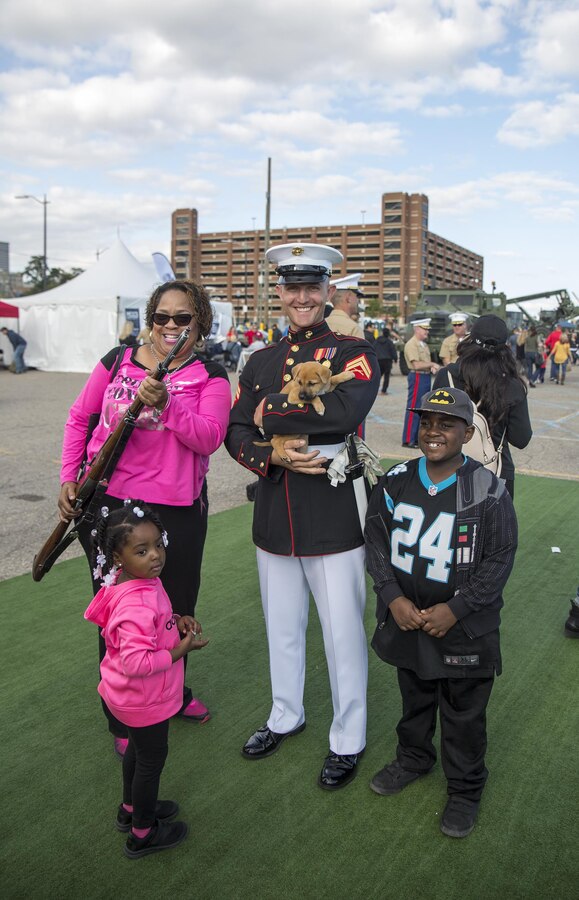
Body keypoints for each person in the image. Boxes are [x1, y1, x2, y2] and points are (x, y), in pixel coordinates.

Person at [226, 242, 380, 790]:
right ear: (280, 293)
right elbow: (234, 429)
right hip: (275, 508)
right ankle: (285, 714)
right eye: (292, 288)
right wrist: (268, 452)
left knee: (342, 630)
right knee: (282, 626)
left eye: (312, 287)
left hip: (333, 510)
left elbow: (344, 409)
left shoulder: (353, 351)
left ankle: (348, 736)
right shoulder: (260, 360)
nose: (302, 297)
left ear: (328, 291)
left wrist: (269, 411)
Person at [58, 279, 231, 757]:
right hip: (110, 509)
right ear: (149, 319)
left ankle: (171, 698)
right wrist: (69, 476)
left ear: (200, 323)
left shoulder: (211, 375)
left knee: (172, 615)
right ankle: (121, 714)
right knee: (121, 618)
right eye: (162, 317)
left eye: (182, 318)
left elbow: (209, 436)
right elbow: (80, 418)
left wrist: (168, 404)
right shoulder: (117, 361)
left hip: (176, 513)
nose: (170, 326)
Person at [365, 387, 518, 839]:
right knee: (414, 696)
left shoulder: (487, 489)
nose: (433, 431)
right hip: (408, 617)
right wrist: (392, 596)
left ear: (467, 432)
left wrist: (457, 608)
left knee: (464, 711)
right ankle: (413, 757)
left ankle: (466, 788)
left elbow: (499, 557)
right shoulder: (397, 479)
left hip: (462, 628)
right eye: (427, 422)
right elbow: (376, 539)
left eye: (445, 423)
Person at [84, 502, 208, 858]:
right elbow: (138, 662)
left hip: (126, 697)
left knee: (137, 753)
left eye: (158, 545)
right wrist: (179, 651)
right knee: (151, 760)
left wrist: (178, 620)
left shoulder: (140, 582)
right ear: (118, 558)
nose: (155, 556)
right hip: (143, 699)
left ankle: (130, 810)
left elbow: (157, 624)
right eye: (142, 551)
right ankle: (142, 832)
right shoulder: (135, 605)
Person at [433, 314, 531, 499]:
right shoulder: (513, 385)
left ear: (469, 339)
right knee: (495, 527)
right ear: (505, 347)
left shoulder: (446, 376)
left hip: (449, 468)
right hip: (495, 471)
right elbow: (521, 438)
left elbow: (430, 425)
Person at [402, 318, 440, 448]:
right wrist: (432, 364)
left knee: (422, 408)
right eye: (425, 329)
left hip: (425, 377)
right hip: (417, 376)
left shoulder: (423, 344)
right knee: (414, 408)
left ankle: (416, 438)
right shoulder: (412, 344)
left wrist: (431, 367)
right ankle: (408, 439)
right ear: (417, 329)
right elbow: (416, 364)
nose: (427, 332)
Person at [326, 273, 365, 339]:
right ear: (348, 298)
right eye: (357, 296)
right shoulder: (353, 329)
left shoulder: (321, 325)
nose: (358, 301)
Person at [374, 326, 398, 394]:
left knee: (378, 376)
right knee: (387, 376)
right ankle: (384, 391)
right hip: (387, 361)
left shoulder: (376, 341)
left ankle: (375, 389)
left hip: (378, 360)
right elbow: (393, 351)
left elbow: (373, 349)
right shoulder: (389, 342)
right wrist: (395, 359)